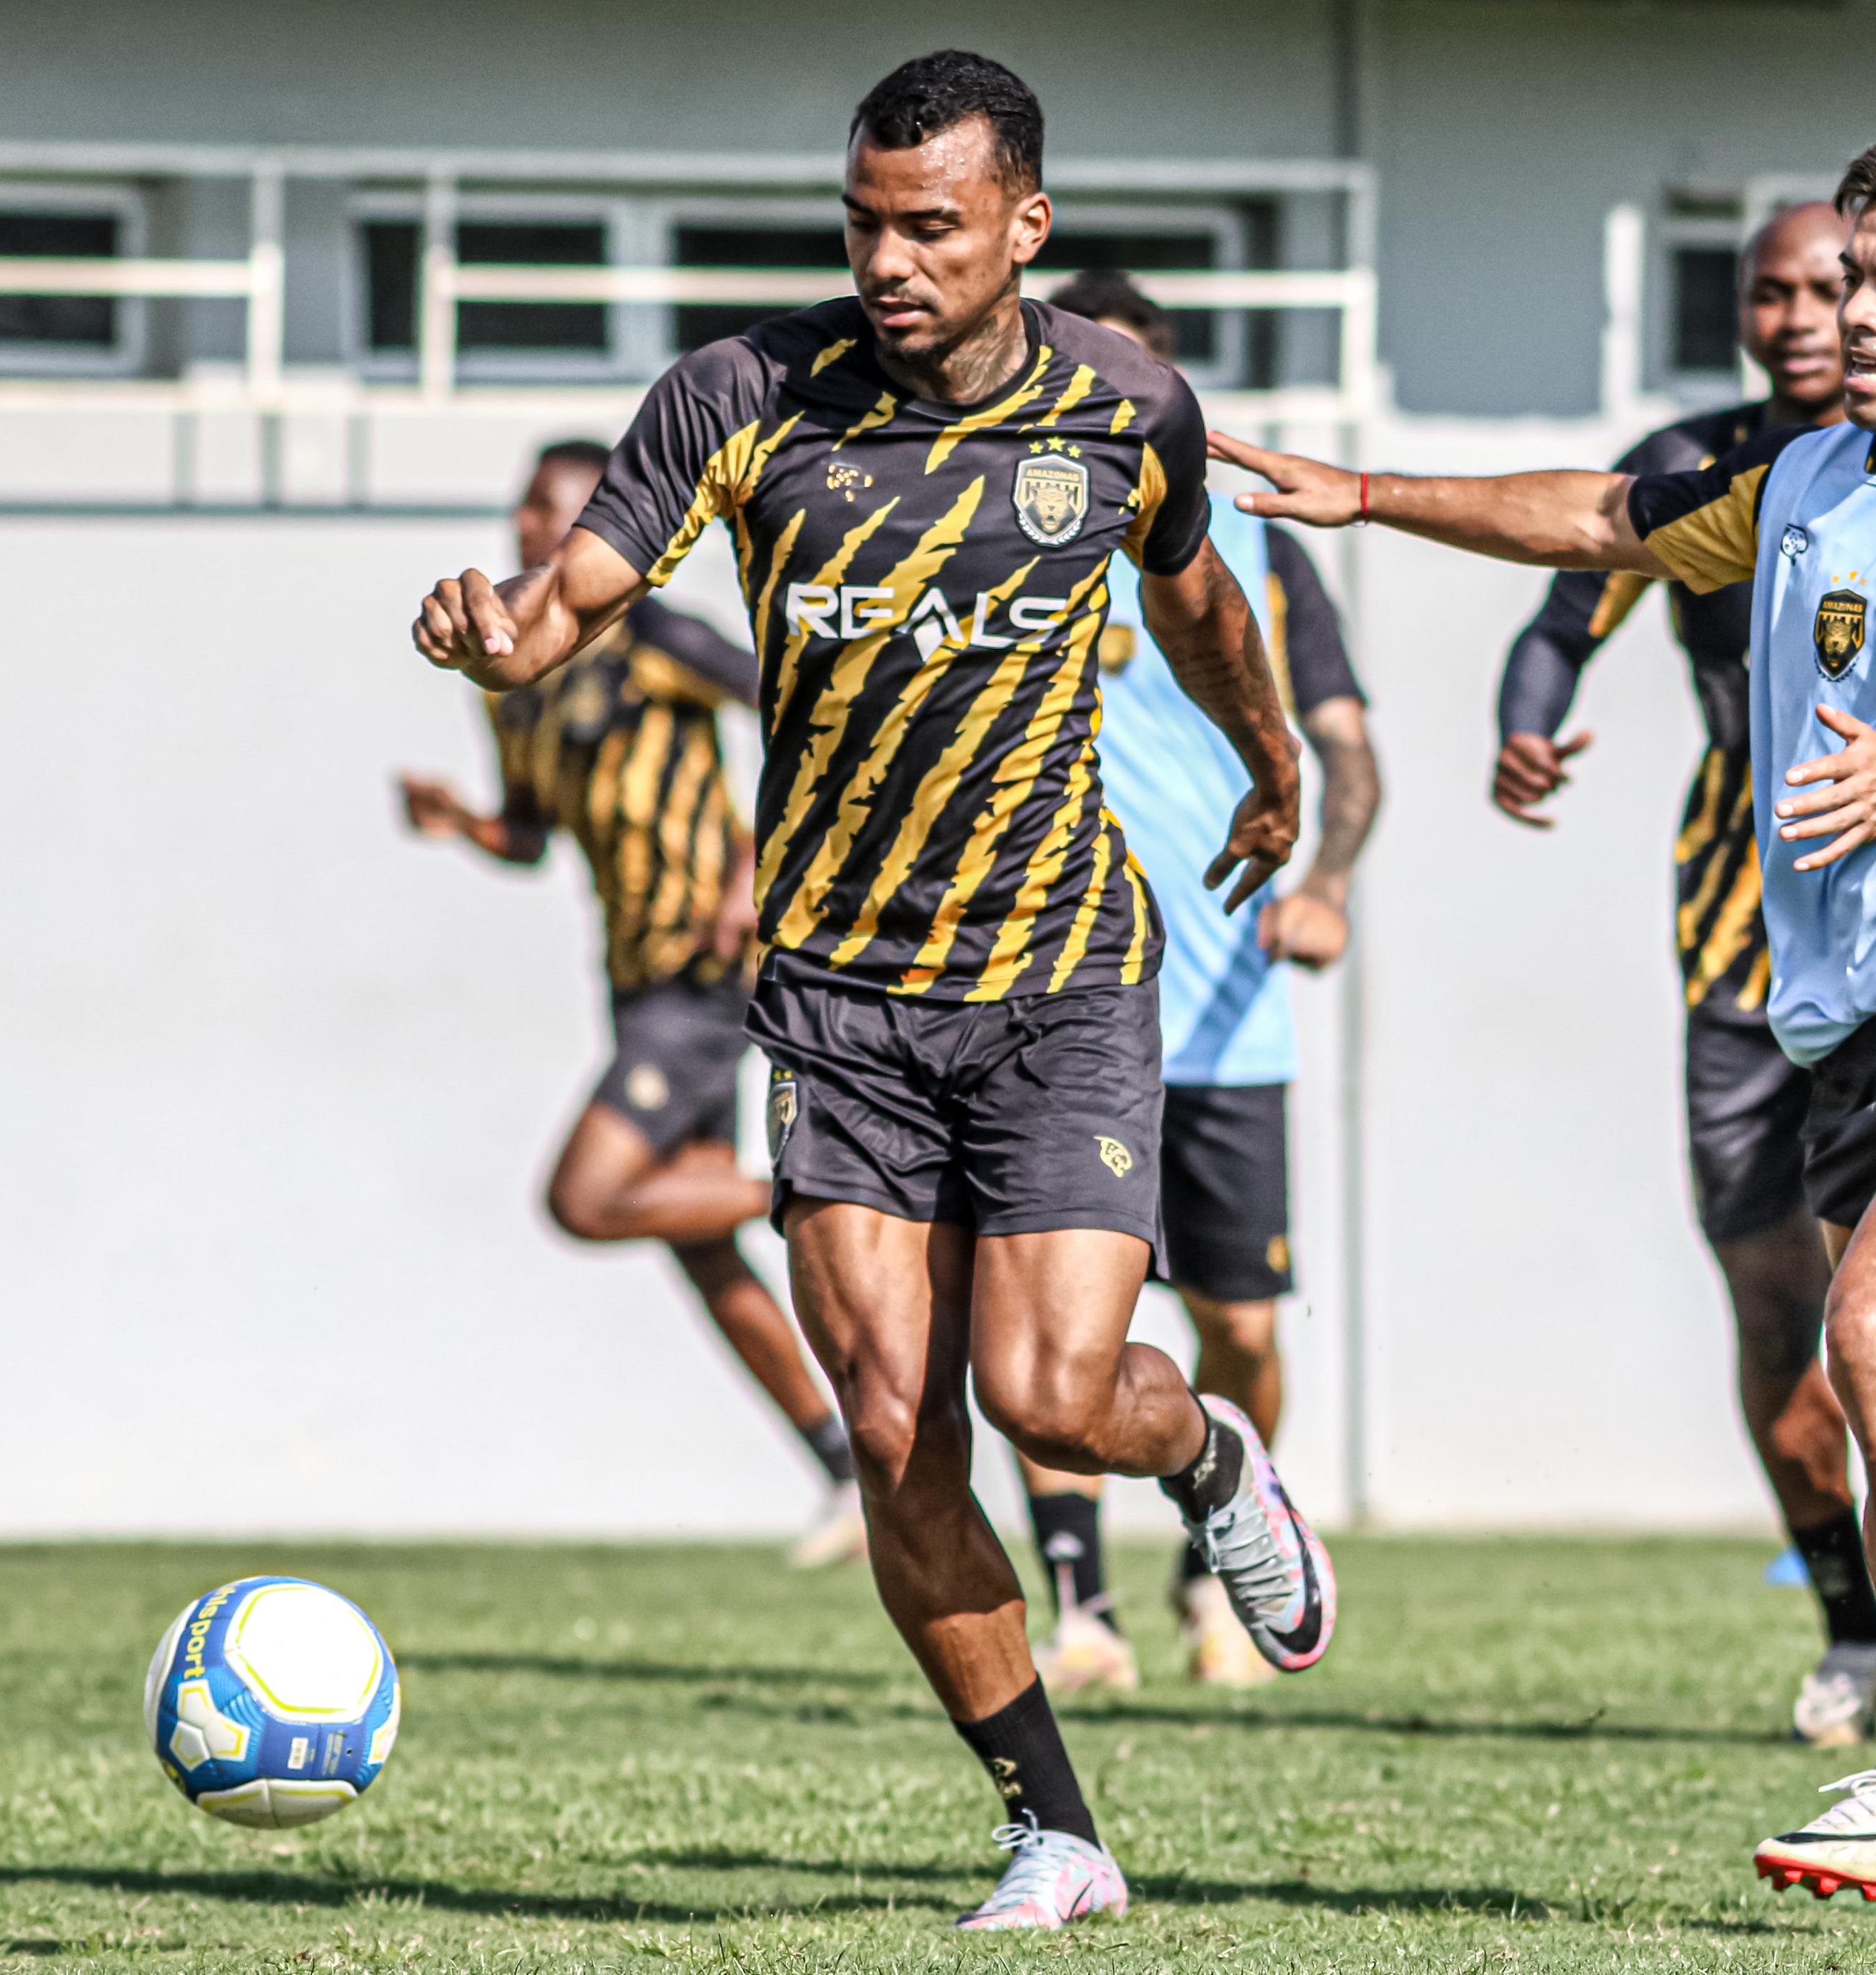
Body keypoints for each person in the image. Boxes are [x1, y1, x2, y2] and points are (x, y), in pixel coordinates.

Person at [409, 52, 1336, 1934]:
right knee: (901, 1426)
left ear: (1022, 227)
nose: (892, 258)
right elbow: (585, 584)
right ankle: (1055, 1830)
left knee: (1055, 1397)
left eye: (931, 224)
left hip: (1061, 971)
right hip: (838, 993)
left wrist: (1271, 763)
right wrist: (505, 639)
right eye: (865, 222)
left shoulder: (1124, 398)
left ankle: (1212, 1449)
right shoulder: (745, 394)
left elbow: (1202, 600)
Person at [1215, 125, 1876, 1924]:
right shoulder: (1806, 476)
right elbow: (1599, 518)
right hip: (1859, 1030)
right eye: (1841, 280)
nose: (1851, 312)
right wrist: (1360, 496)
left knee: (1874, 1325)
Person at [1491, 204, 1876, 1746]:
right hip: (1733, 942)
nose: (1795, 316)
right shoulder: (1697, 459)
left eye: (1825, 288)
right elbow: (1563, 610)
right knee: (1774, 1314)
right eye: (1767, 291)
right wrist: (1525, 721)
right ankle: (1847, 1622)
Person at [1006, 270, 1382, 1697]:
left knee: (1236, 1325)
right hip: (1045, 990)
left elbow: (1348, 755)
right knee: (1049, 1319)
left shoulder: (1255, 557)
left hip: (1225, 1002)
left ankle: (1217, 1551)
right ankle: (1078, 1609)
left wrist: (1330, 880)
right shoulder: (1004, 526)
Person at [399, 439, 863, 1569]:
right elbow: (533, 832)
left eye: (550, 507)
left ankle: (837, 1194)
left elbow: (795, 705)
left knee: (591, 1193)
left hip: (707, 977)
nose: (525, 526)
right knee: (693, 1240)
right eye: (519, 504)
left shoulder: (648, 634)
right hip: (634, 978)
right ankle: (852, 1468)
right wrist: (464, 823)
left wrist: (755, 871)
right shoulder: (512, 686)